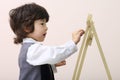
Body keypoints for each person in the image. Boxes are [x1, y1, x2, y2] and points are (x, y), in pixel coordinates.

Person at [9, 2, 85, 80]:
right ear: (27, 27)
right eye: (42, 24)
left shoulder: (31, 49)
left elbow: (36, 67)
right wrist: (73, 42)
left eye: (45, 23)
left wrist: (51, 65)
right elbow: (55, 53)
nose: (46, 28)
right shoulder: (32, 50)